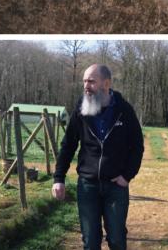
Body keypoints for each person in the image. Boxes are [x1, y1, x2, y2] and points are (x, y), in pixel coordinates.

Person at [52, 64, 144, 250]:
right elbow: (68, 145)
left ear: (106, 83)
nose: (86, 85)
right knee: (90, 241)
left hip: (116, 186)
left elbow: (137, 147)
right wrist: (58, 178)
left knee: (117, 239)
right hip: (87, 186)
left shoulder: (124, 110)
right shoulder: (81, 109)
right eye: (85, 81)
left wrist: (127, 176)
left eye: (91, 81)